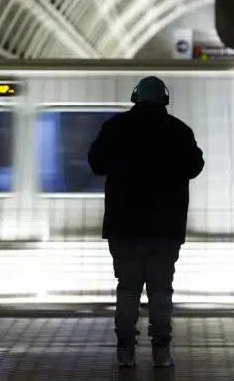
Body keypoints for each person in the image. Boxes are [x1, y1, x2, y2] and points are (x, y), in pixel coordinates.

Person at [87, 76, 204, 368]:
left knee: (127, 289)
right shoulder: (178, 130)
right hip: (166, 228)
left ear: (135, 98)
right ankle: (161, 351)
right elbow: (195, 167)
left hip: (123, 227)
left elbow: (96, 164)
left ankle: (125, 350)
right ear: (164, 99)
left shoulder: (115, 127)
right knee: (161, 291)